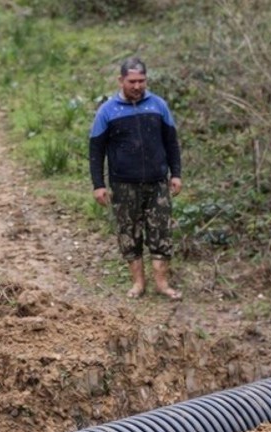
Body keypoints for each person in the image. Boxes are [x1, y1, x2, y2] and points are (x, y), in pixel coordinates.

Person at [88, 56, 183, 300]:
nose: (137, 86)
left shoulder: (158, 106)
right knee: (129, 233)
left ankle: (162, 284)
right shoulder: (107, 111)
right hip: (123, 184)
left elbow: (171, 142)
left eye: (141, 81)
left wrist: (176, 174)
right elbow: (96, 150)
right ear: (121, 80)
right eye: (132, 81)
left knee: (161, 232)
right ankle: (138, 283)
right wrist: (98, 184)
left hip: (157, 182)